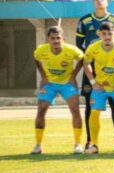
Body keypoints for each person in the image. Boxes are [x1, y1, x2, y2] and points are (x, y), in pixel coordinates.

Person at [75, 0, 114, 152]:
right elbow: (79, 45)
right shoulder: (84, 20)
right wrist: (92, 71)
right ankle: (90, 141)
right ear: (93, 1)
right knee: (90, 106)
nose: (99, 1)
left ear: (107, 1)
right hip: (92, 69)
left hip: (113, 69)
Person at [82, 22, 114, 154]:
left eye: (110, 34)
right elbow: (86, 63)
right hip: (100, 88)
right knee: (94, 113)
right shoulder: (93, 48)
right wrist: (93, 82)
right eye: (104, 34)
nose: (107, 37)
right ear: (99, 34)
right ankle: (94, 145)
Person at [32, 26, 84, 154]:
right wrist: (43, 76)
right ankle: (38, 145)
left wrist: (73, 76)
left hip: (67, 84)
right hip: (49, 84)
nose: (56, 41)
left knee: (75, 110)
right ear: (48, 39)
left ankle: (78, 144)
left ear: (63, 39)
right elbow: (36, 59)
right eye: (53, 38)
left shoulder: (71, 50)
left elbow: (83, 59)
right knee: (41, 110)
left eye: (58, 38)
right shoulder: (41, 50)